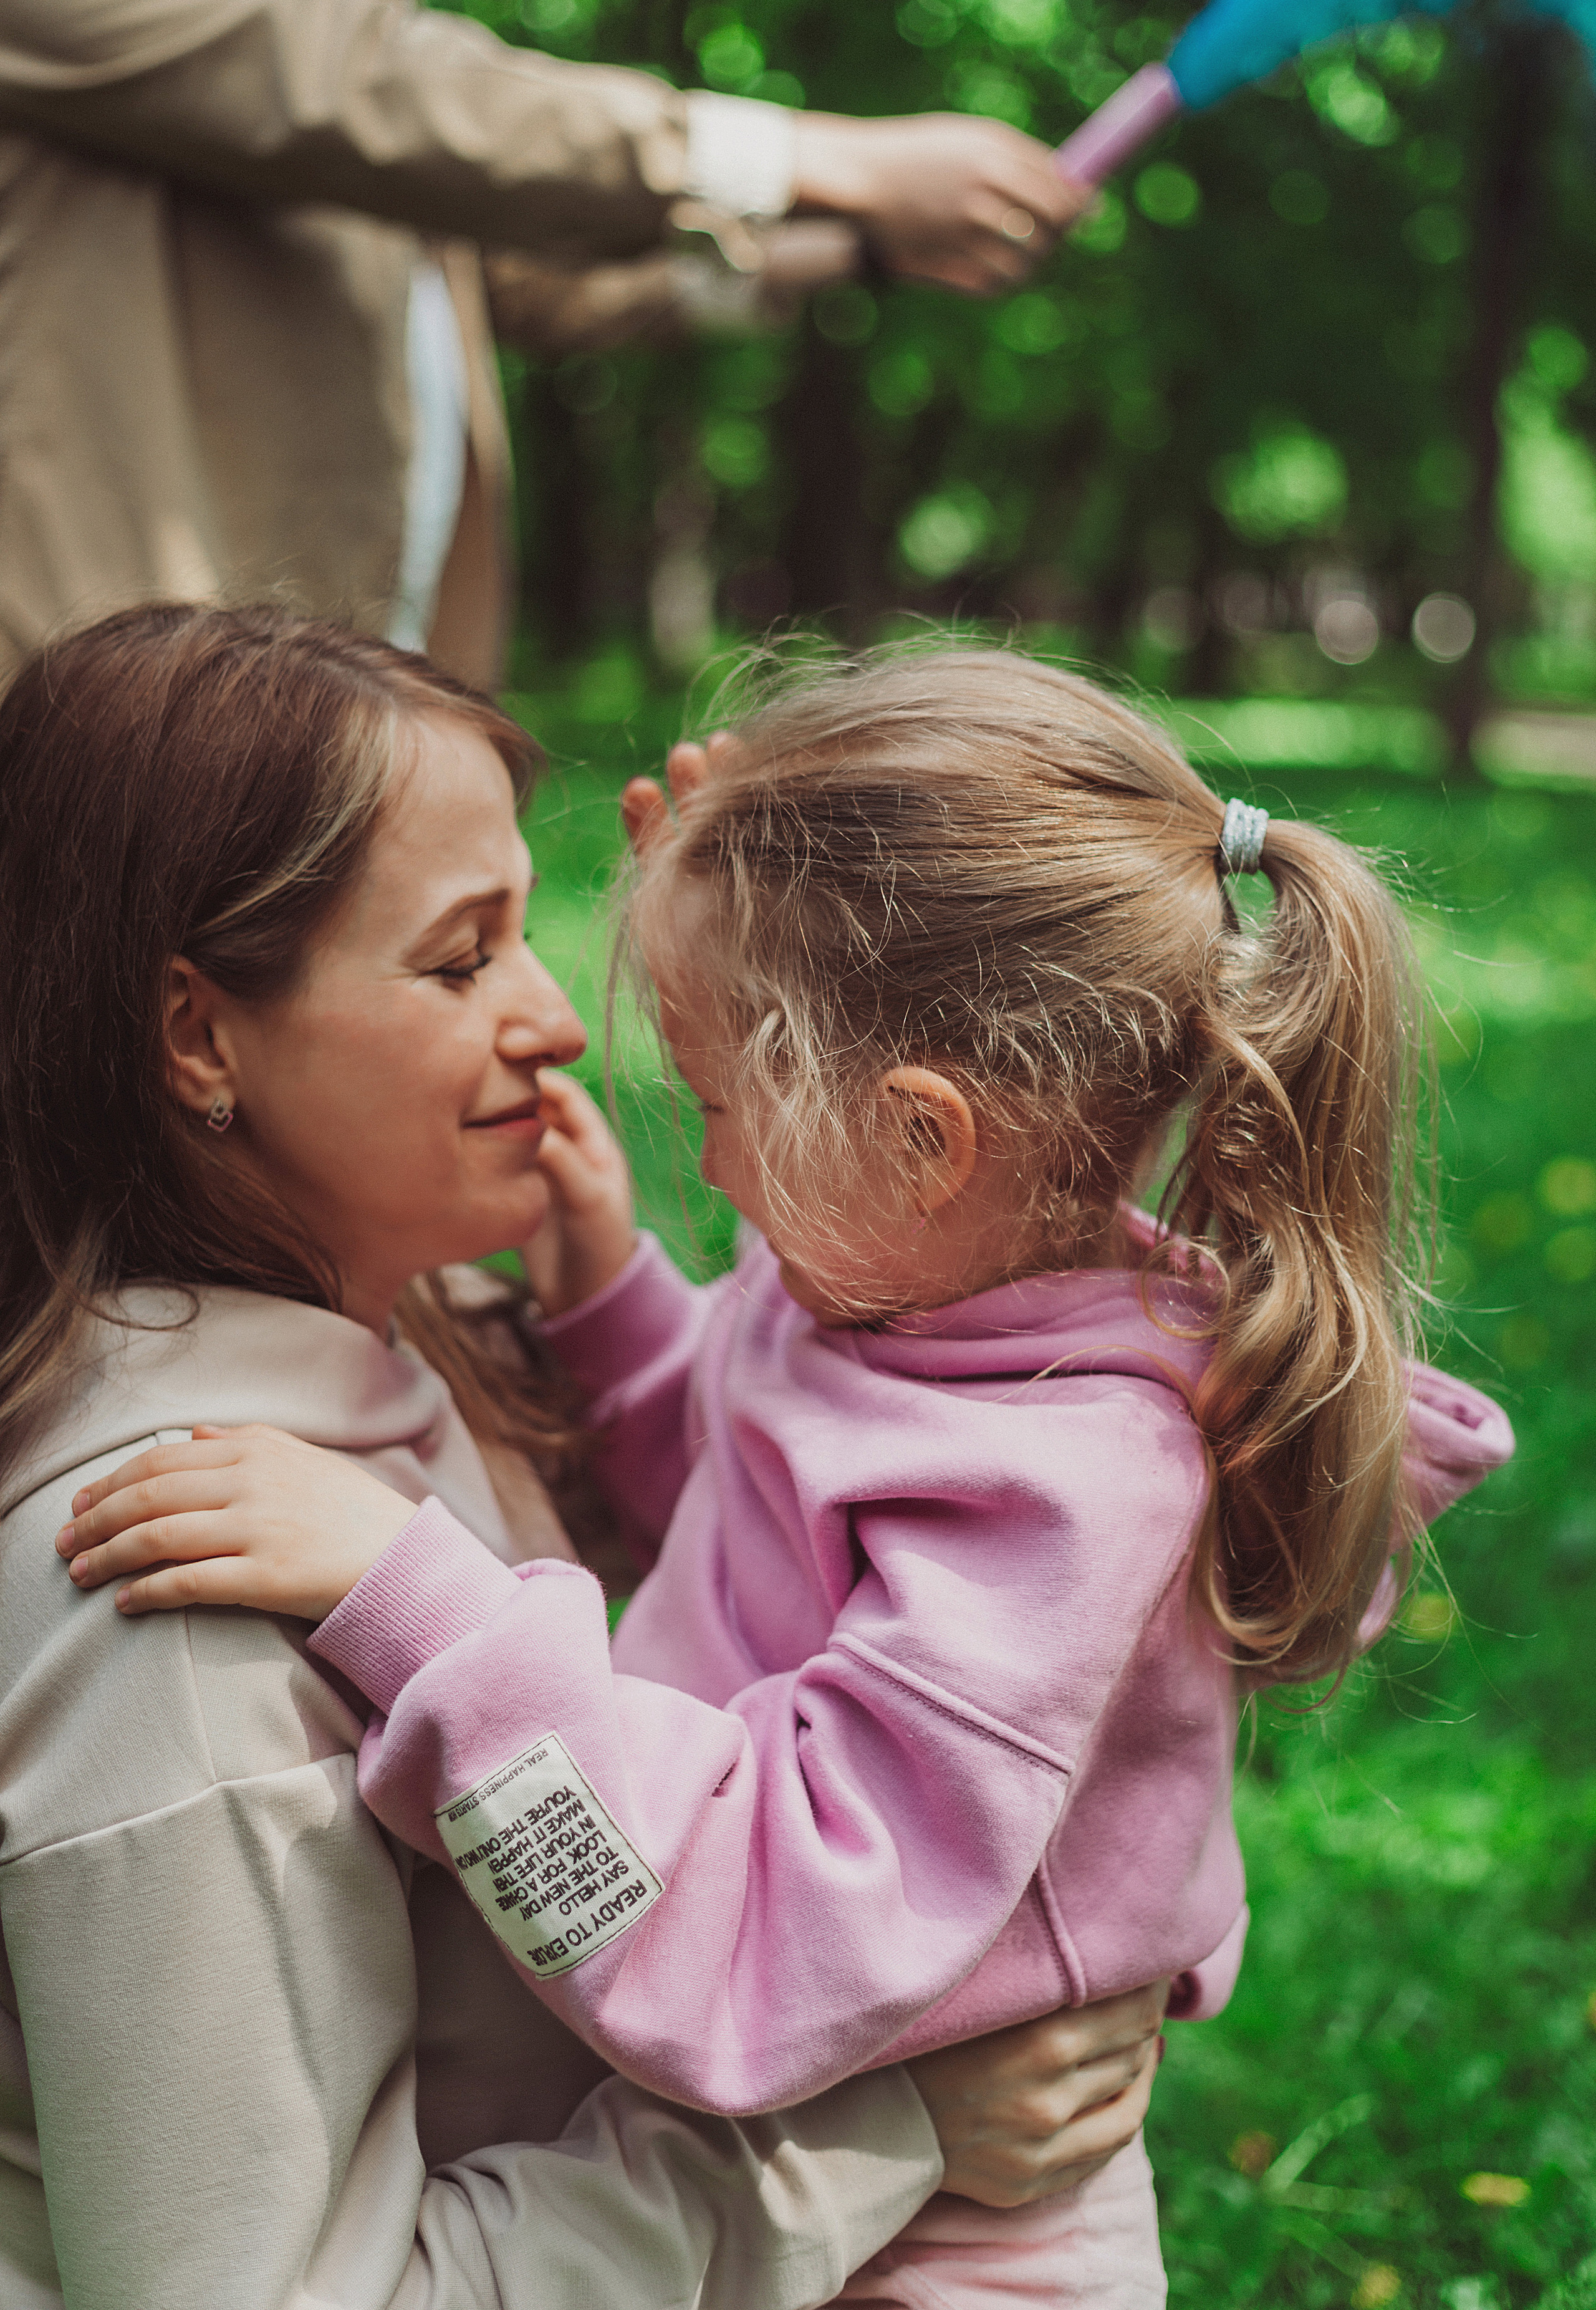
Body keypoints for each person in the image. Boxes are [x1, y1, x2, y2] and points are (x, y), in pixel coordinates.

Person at [65, 647, 1514, 2304]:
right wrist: (614, 1288)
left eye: (714, 1092)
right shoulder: (924, 1286)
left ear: (917, 1138)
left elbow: (764, 1931)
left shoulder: (1061, 1504)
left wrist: (419, 1603)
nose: (691, 1148)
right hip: (820, 2199)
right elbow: (762, 1514)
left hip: (942, 2252)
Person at [0, 0, 1086, 691]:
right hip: (97, 685)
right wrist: (824, 158)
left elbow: (513, 271)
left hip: (284, 682)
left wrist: (863, 245)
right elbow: (375, 93)